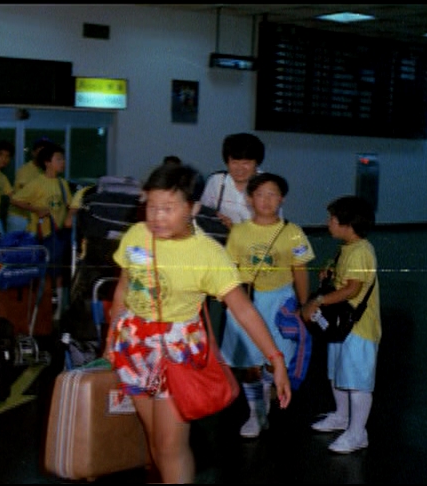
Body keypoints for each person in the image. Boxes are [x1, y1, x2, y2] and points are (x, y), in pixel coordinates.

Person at [104, 163, 292, 483]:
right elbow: (124, 286)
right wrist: (112, 334)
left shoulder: (207, 254)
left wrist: (276, 359)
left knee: (170, 445)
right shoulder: (137, 234)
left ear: (193, 207)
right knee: (153, 438)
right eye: (151, 206)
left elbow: (243, 310)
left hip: (176, 350)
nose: (157, 217)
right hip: (133, 343)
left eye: (168, 208)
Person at [221, 172, 315, 438]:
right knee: (249, 362)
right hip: (248, 301)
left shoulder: (292, 232)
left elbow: (300, 269)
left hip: (281, 302)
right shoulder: (239, 232)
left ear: (281, 199)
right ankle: (256, 413)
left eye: (272, 194)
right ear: (250, 199)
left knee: (276, 359)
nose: (265, 200)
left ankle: (266, 396)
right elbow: (230, 268)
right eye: (260, 194)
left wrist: (303, 303)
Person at [300, 195, 380, 454]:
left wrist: (319, 301)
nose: (328, 223)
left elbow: (352, 290)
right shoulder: (347, 247)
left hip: (358, 329)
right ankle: (342, 417)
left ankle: (358, 432)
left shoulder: (361, 251)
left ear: (348, 223)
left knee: (357, 381)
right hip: (343, 328)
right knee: (338, 374)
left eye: (332, 219)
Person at [10, 142, 72, 320]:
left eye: (63, 159)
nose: (63, 162)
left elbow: (68, 206)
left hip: (58, 235)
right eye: (58, 159)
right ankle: (40, 310)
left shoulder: (62, 183)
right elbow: (15, 200)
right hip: (41, 236)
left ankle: (57, 312)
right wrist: (36, 210)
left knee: (58, 273)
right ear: (47, 162)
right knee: (43, 275)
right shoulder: (37, 183)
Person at [200, 132, 265, 228]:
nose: (239, 168)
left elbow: (272, 226)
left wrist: (235, 229)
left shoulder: (267, 184)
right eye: (234, 162)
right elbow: (202, 214)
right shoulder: (217, 181)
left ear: (257, 163)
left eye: (246, 163)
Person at [6, 137, 51, 232]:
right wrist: (38, 209)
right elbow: (17, 200)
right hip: (19, 218)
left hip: (36, 220)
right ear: (33, 153)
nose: (43, 155)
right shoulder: (24, 171)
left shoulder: (47, 172)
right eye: (40, 151)